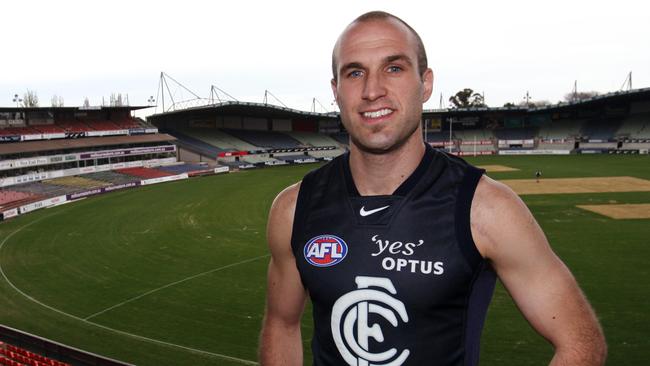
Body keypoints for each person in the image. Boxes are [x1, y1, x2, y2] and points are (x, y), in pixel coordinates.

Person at [259, 11, 606, 366]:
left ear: (425, 84)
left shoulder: (486, 209)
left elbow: (580, 341)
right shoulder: (294, 208)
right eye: (355, 72)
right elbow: (281, 325)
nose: (372, 90)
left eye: (394, 68)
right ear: (335, 91)